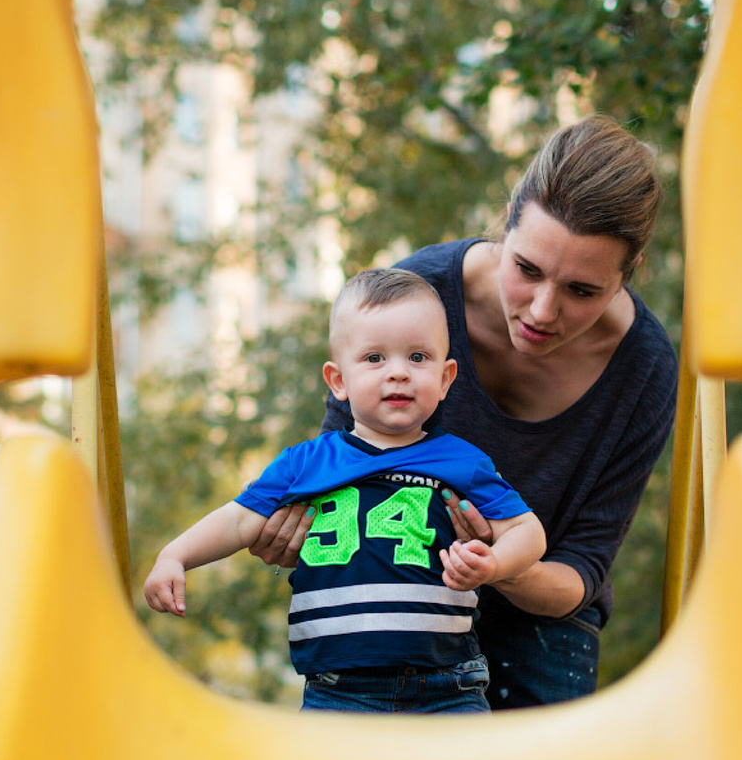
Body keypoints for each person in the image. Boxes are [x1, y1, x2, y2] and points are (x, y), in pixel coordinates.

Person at [251, 115, 679, 709]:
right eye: (527, 269)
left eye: (582, 291)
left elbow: (582, 568)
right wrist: (292, 529)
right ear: (508, 221)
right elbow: (342, 463)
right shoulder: (418, 295)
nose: (541, 310)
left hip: (541, 620)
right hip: (399, 599)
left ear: (627, 276)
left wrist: (501, 565)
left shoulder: (645, 370)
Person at [143, 268, 546, 714]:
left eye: (418, 357)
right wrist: (174, 556)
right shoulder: (306, 463)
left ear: (447, 377)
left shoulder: (463, 462)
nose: (398, 374)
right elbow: (239, 519)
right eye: (374, 359)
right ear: (338, 381)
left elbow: (528, 531)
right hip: (337, 693)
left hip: (447, 688)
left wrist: (493, 564)